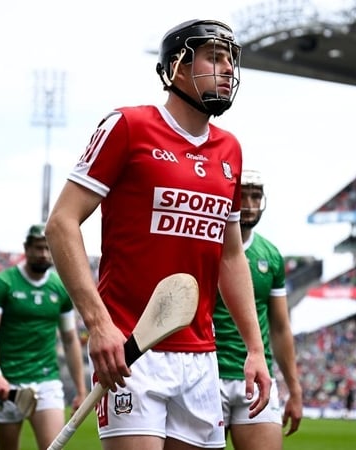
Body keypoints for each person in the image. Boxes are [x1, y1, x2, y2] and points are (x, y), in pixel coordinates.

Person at [44, 19, 272, 450]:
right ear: (179, 66)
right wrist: (99, 325)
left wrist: (254, 349)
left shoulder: (231, 151)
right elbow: (62, 223)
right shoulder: (128, 126)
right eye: (214, 57)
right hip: (130, 350)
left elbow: (230, 257)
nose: (227, 69)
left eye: (229, 60)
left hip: (202, 358)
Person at [0, 224, 87, 450]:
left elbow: (69, 339)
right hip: (8, 382)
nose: (44, 254)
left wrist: (80, 389)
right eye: (38, 248)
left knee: (53, 447)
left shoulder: (60, 287)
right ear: (26, 248)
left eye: (48, 248)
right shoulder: (3, 283)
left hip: (46, 380)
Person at [214, 169, 303, 449]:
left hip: (257, 377)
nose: (251, 204)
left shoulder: (271, 255)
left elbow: (280, 327)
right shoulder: (206, 246)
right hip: (206, 373)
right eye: (244, 196)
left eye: (256, 196)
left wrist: (294, 386)